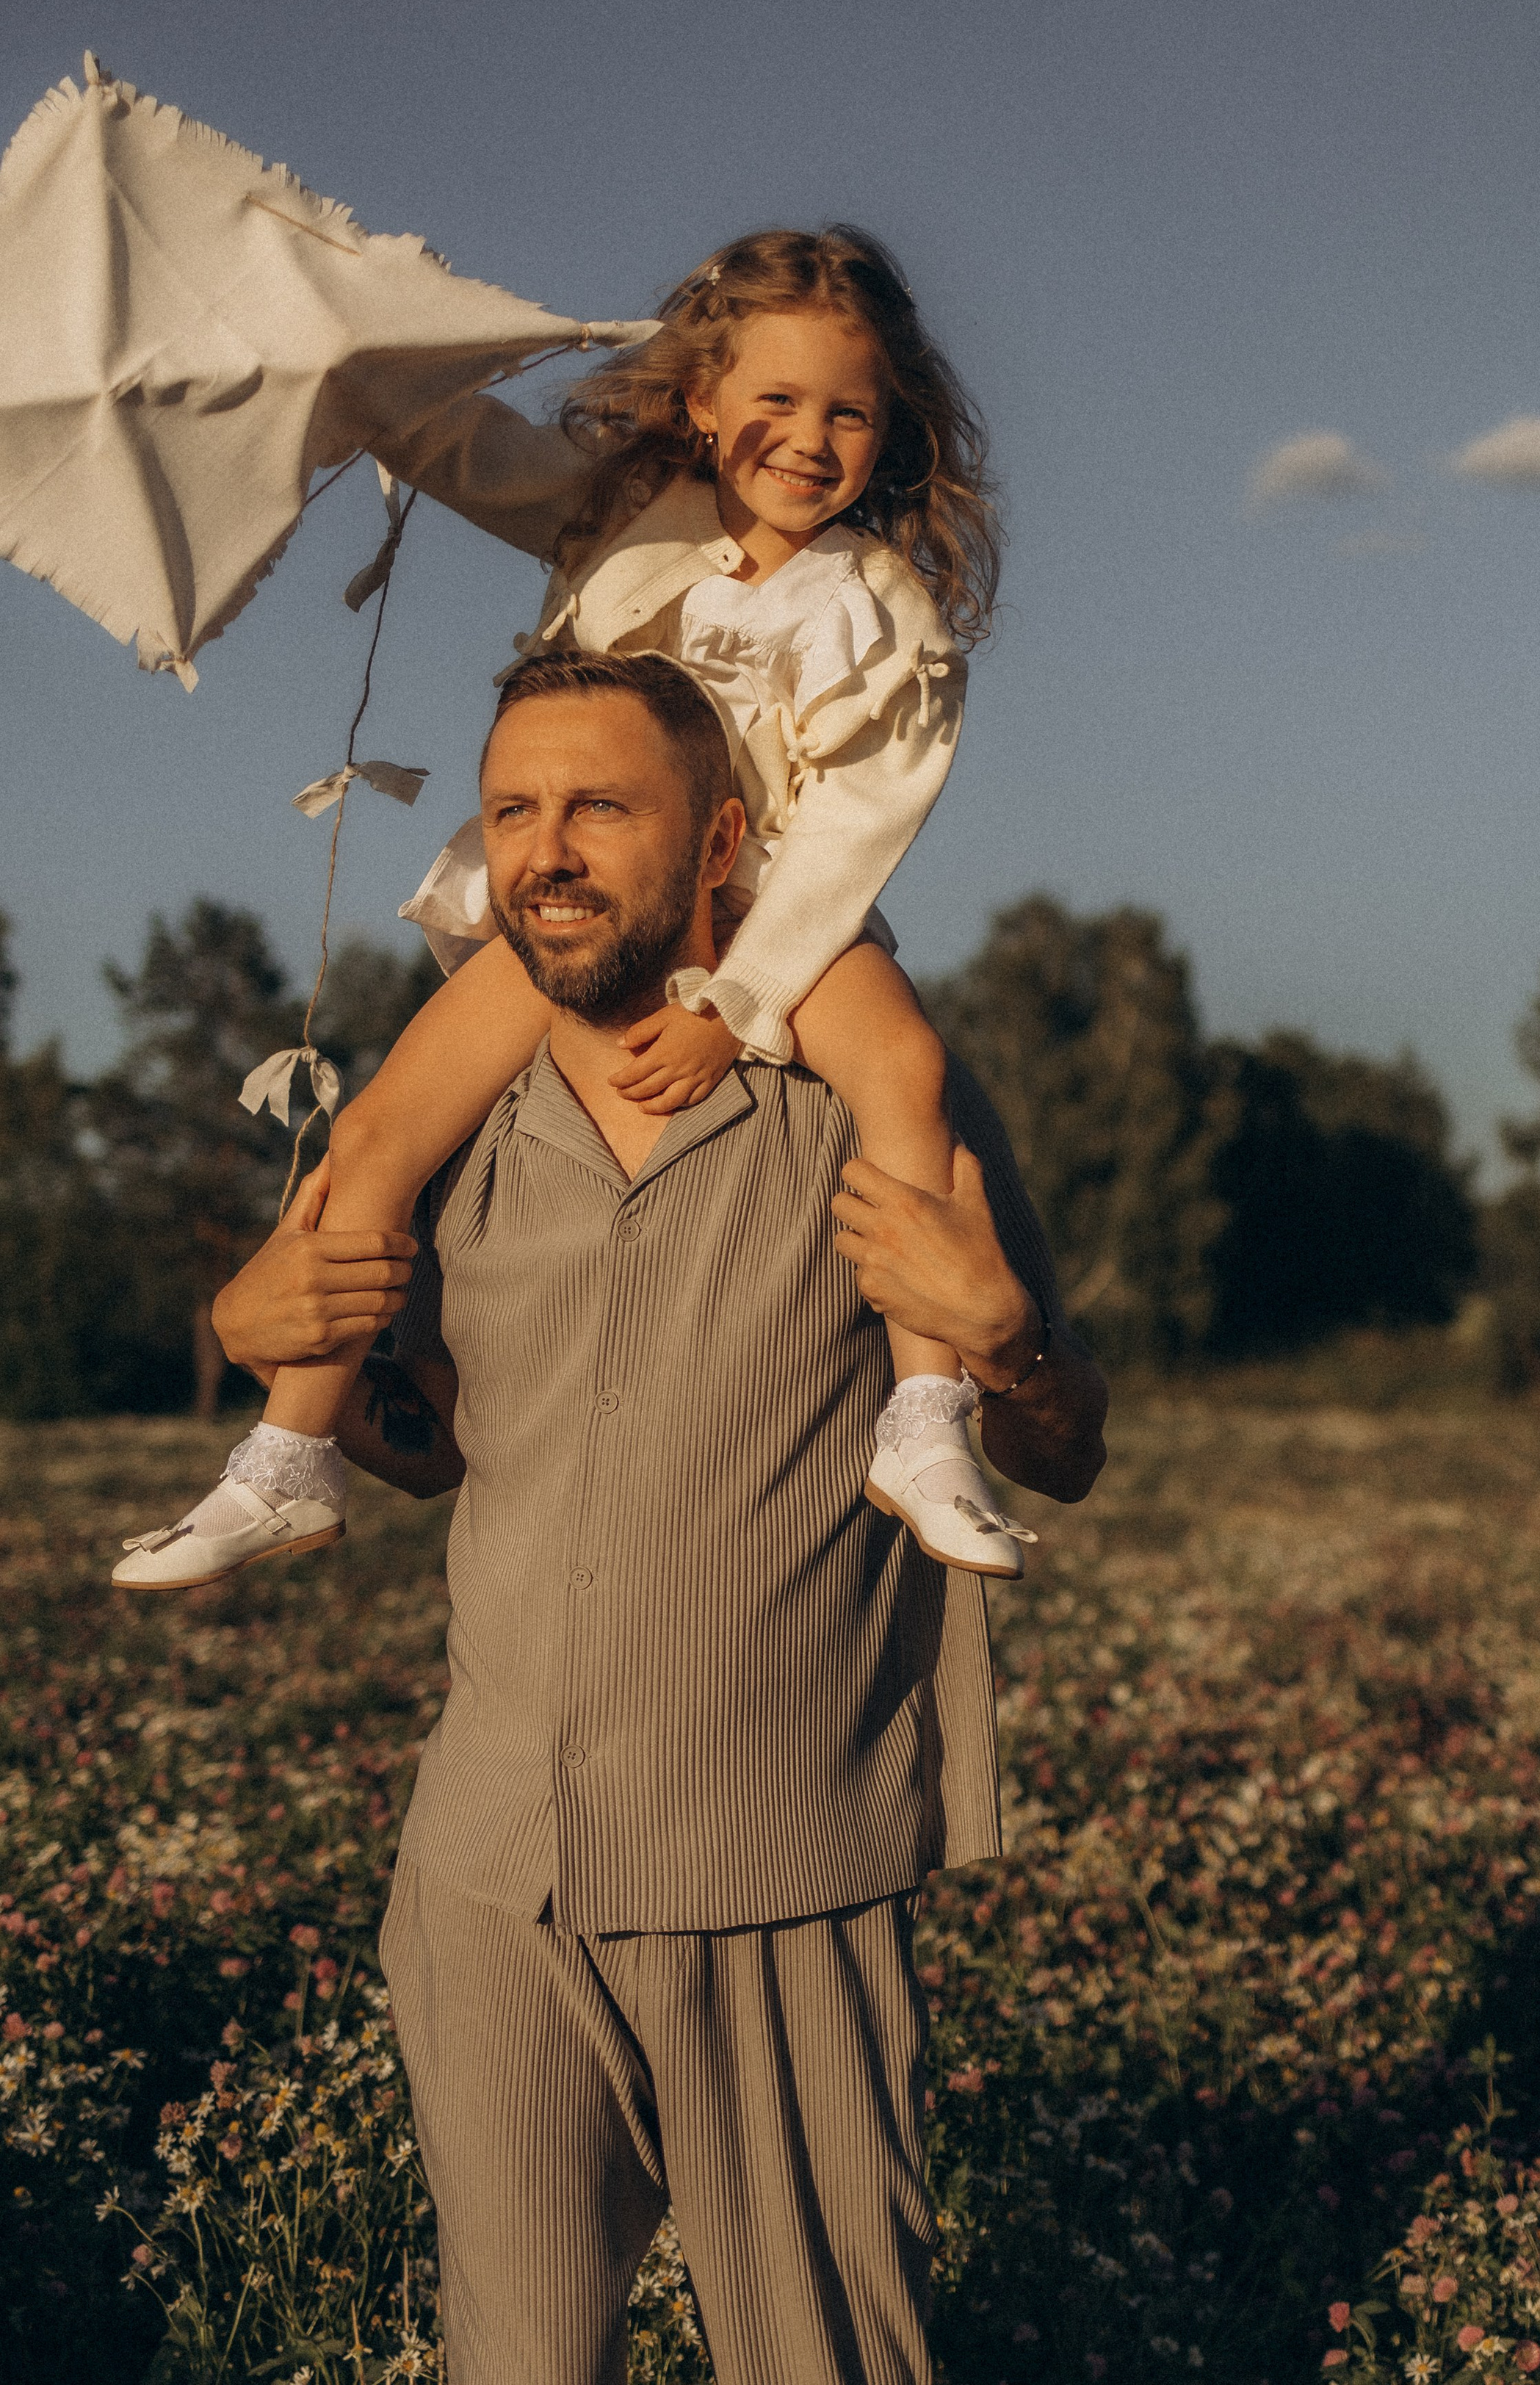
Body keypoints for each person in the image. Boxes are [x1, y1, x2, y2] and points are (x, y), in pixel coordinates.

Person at [208, 654, 1108, 2385]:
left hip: (774, 1872)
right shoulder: (450, 1124)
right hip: (488, 1880)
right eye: (515, 810)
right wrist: (248, 1332)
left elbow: (1064, 1446)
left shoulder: (863, 1088)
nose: (546, 850)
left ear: (718, 844)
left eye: (598, 808)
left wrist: (1004, 1347)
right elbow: (430, 1442)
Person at [117, 227, 1030, 1596]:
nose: (805, 437)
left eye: (847, 411)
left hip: (782, 913)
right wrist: (350, 366)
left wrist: (740, 999)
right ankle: (288, 1456)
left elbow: (860, 820)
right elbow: (471, 455)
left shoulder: (884, 607)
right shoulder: (625, 509)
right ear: (705, 398)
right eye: (772, 401)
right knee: (379, 1129)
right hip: (588, 907)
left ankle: (925, 1421)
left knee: (905, 1068)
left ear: (891, 429)